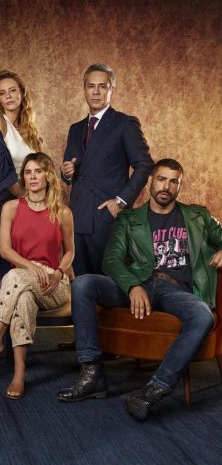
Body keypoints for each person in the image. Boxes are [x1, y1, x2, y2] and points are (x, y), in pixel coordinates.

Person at [57, 159, 222, 421]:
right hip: (138, 283)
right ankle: (91, 374)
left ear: (180, 186)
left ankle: (153, 390)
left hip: (177, 291)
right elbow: (111, 259)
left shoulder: (198, 216)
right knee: (83, 283)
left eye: (174, 181)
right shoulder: (129, 219)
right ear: (151, 181)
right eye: (161, 179)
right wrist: (132, 286)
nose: (166, 186)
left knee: (203, 315)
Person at [0, 153, 74, 399]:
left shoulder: (62, 212)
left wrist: (58, 273)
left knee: (14, 277)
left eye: (38, 171)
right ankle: (19, 373)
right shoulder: (11, 207)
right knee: (22, 298)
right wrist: (30, 267)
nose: (32, 177)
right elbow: (5, 250)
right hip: (21, 279)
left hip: (53, 283)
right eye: (28, 172)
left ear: (48, 176)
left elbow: (70, 251)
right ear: (23, 177)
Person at [61, 63, 154, 276]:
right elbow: (70, 172)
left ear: (111, 90)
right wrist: (66, 173)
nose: (96, 92)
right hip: (77, 215)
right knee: (81, 282)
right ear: (84, 89)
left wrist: (120, 202)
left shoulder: (125, 123)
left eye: (102, 86)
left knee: (108, 280)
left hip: (106, 215)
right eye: (91, 86)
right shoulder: (75, 129)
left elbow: (145, 164)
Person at [0, 69, 43, 277]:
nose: (8, 96)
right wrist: (27, 198)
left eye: (12, 90)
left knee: (27, 256)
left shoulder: (29, 129)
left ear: (21, 92)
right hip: (1, 197)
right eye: (2, 93)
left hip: (27, 199)